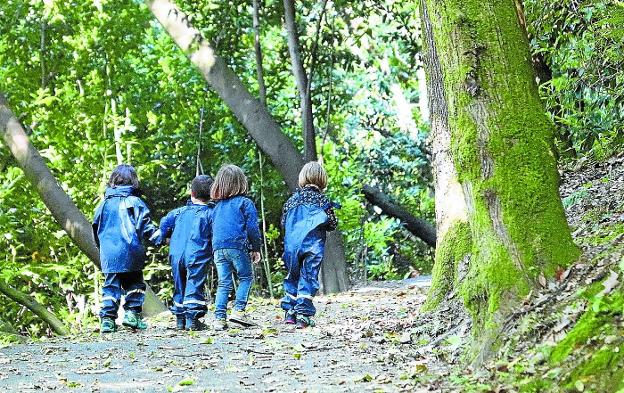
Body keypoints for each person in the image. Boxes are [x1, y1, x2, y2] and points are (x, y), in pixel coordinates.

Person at [93, 164, 158, 333]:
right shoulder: (135, 202)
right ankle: (131, 315)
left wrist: (102, 248)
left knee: (110, 286)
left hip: (109, 252)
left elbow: (96, 229)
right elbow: (146, 227)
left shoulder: (103, 205)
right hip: (131, 250)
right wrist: (159, 239)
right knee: (135, 283)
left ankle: (107, 320)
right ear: (134, 182)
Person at [281, 162, 338, 329]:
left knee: (292, 275)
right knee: (308, 277)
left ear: (302, 179)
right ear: (322, 180)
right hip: (313, 245)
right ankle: (303, 315)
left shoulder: (292, 200)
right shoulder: (323, 201)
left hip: (292, 246)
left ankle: (290, 313)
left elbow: (284, 221)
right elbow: (332, 223)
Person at [155, 175, 214, 331]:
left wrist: (164, 237)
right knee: (194, 283)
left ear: (191, 193)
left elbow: (163, 224)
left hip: (176, 253)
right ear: (212, 194)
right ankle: (192, 319)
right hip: (197, 253)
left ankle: (180, 319)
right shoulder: (210, 214)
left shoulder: (178, 212)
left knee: (179, 284)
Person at [210, 164, 262, 330]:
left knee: (223, 283)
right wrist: (256, 248)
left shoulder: (216, 207)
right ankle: (238, 311)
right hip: (238, 245)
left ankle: (219, 319)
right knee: (246, 277)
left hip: (218, 248)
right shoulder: (245, 203)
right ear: (241, 183)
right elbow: (252, 228)